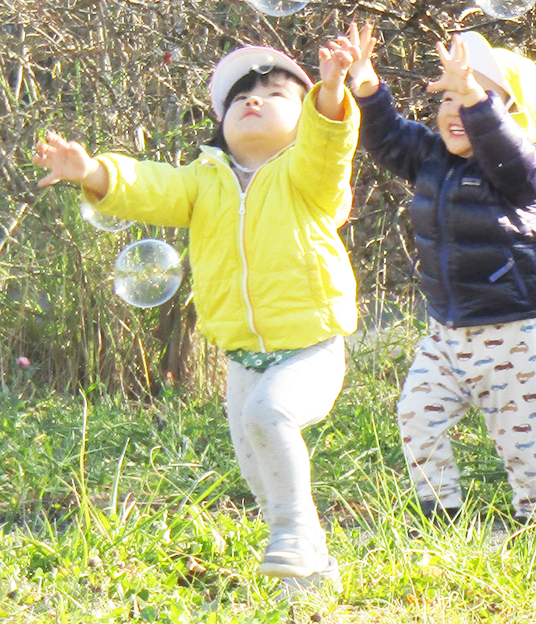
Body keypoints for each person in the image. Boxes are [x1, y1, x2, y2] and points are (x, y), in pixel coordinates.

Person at [34, 43, 360, 591]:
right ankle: (311, 574)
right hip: (243, 355)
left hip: (311, 345)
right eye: (241, 97)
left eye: (275, 94)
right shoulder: (203, 180)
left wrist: (330, 92)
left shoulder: (308, 176)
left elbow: (330, 145)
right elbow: (150, 186)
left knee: (269, 417)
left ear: (303, 118)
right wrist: (92, 170)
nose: (254, 101)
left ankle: (295, 532)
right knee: (258, 468)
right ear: (223, 123)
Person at [335, 23, 536, 524]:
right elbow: (388, 136)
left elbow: (517, 167)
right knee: (417, 416)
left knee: (522, 440)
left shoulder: (524, 165)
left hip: (510, 334)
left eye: (475, 99)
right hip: (445, 331)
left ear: (511, 117)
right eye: (448, 99)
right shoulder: (431, 156)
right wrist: (366, 83)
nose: (456, 110)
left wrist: (477, 102)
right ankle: (442, 514)